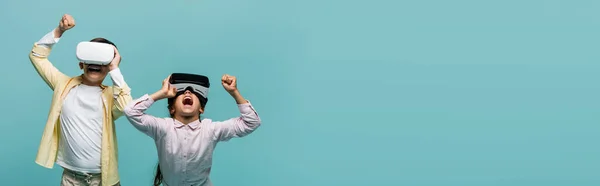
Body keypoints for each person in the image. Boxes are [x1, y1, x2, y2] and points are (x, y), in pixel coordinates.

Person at [28, 14, 132, 186]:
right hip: (71, 179)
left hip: (104, 179)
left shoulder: (112, 94)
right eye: (91, 58)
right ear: (81, 63)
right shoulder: (63, 85)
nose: (95, 63)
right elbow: (36, 56)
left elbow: (128, 108)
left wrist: (115, 69)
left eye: (102, 60)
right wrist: (59, 30)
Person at [123, 73, 261, 186]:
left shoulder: (210, 129)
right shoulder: (162, 127)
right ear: (172, 108)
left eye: (194, 93)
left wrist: (234, 92)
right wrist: (161, 93)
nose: (188, 91)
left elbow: (252, 122)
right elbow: (130, 111)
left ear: (201, 108)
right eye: (181, 92)